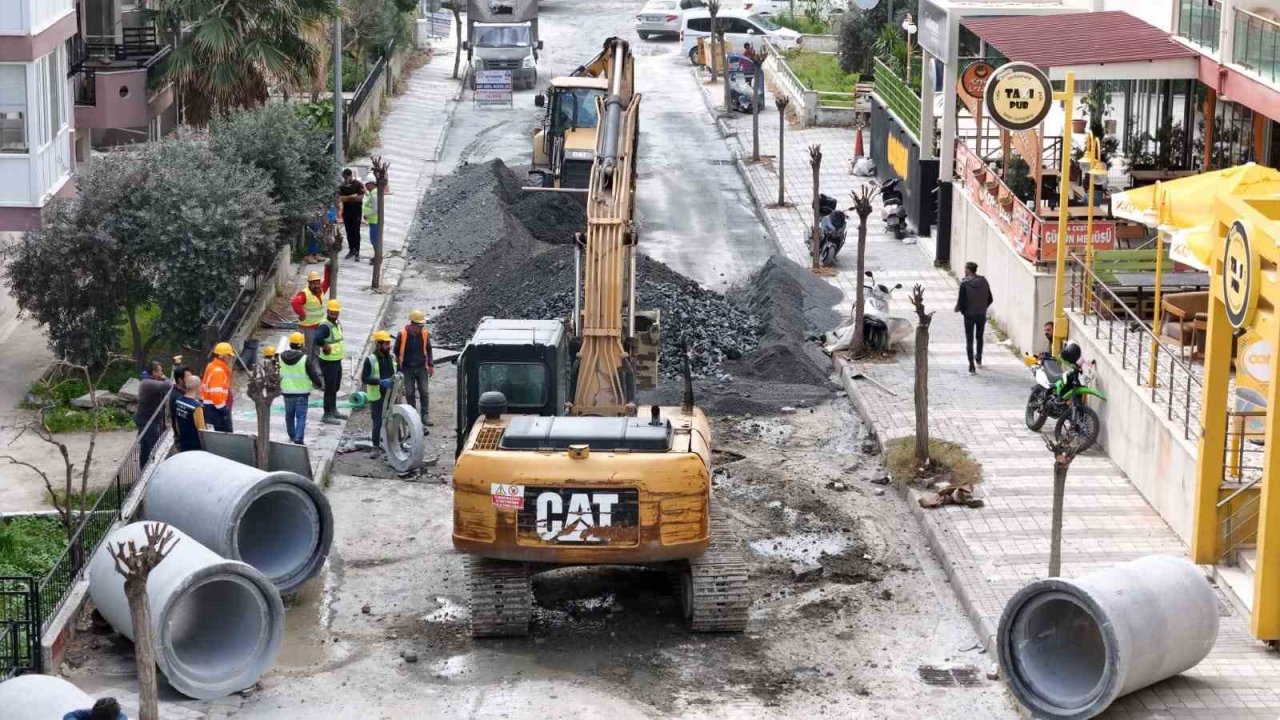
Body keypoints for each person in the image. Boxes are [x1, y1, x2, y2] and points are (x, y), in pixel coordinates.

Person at [393, 309, 435, 431]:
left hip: (421, 367)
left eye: (422, 325)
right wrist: (399, 368)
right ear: (412, 324)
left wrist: (430, 365)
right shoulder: (402, 334)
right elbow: (396, 351)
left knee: (424, 392)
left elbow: (429, 349)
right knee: (410, 393)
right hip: (407, 368)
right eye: (419, 325)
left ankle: (425, 415)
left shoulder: (425, 334)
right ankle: (413, 416)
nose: (421, 328)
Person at [280, 331, 323, 444]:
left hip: (286, 392)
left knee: (289, 415)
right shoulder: (304, 359)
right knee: (301, 416)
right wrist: (319, 384)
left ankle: (291, 434)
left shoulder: (281, 357)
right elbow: (312, 374)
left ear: (290, 343)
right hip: (302, 393)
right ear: (301, 344)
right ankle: (299, 438)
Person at [362, 330, 398, 455]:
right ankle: (375, 446)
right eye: (386, 344)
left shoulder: (391, 358)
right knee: (377, 420)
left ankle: (392, 444)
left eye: (389, 343)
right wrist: (380, 381)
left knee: (392, 419)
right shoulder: (370, 360)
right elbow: (364, 378)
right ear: (378, 344)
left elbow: (395, 373)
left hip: (390, 394)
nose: (389, 346)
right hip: (377, 394)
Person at [955, 261, 994, 374]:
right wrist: (982, 308)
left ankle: (971, 366)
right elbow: (990, 298)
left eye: (965, 269)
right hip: (981, 314)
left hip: (969, 315)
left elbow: (961, 302)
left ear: (967, 270)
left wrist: (962, 310)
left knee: (969, 339)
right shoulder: (984, 281)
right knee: (979, 337)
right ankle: (979, 358)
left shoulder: (964, 284)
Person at [134, 361, 174, 468]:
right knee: (149, 447)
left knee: (147, 446)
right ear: (154, 372)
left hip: (148, 419)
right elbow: (170, 385)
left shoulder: (148, 381)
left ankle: (146, 467)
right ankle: (146, 469)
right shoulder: (148, 383)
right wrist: (165, 377)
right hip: (148, 421)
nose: (161, 373)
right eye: (160, 371)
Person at [314, 299, 347, 425]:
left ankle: (333, 410)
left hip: (336, 360)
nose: (333, 314)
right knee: (329, 388)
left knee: (336, 387)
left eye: (336, 312)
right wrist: (324, 346)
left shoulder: (336, 323)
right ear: (327, 311)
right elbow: (317, 337)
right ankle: (327, 414)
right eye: (331, 312)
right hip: (328, 362)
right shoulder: (325, 326)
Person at [289, 268, 330, 361]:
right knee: (307, 353)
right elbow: (295, 302)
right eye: (313, 283)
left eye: (318, 283)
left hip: (317, 327)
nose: (316, 285)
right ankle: (307, 371)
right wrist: (302, 314)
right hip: (307, 329)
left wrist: (328, 268)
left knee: (316, 351)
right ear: (309, 283)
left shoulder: (321, 290)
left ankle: (314, 370)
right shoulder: (305, 294)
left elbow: (327, 281)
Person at [200, 342, 236, 431]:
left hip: (213, 408)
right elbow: (215, 395)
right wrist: (224, 410)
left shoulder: (211, 366)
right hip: (218, 410)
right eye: (229, 355)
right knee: (226, 436)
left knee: (219, 434)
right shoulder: (218, 371)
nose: (230, 358)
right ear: (223, 356)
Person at [172, 374, 206, 452]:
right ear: (197, 387)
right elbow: (201, 429)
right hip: (195, 445)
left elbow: (176, 422)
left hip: (183, 442)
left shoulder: (178, 401)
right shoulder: (196, 407)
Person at [337, 169, 365, 260]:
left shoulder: (358, 184)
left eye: (346, 177)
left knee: (356, 231)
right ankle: (351, 250)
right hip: (347, 212)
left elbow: (360, 198)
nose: (345, 179)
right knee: (348, 231)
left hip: (356, 211)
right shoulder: (342, 186)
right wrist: (351, 197)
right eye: (344, 177)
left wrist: (347, 199)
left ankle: (357, 251)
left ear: (350, 175)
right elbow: (340, 198)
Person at [362, 173, 380, 264]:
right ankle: (376, 256)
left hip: (374, 220)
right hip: (373, 221)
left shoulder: (374, 193)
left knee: (374, 240)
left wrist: (367, 216)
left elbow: (376, 208)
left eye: (367, 184)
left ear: (372, 183)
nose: (366, 186)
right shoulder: (373, 192)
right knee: (374, 240)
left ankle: (377, 258)